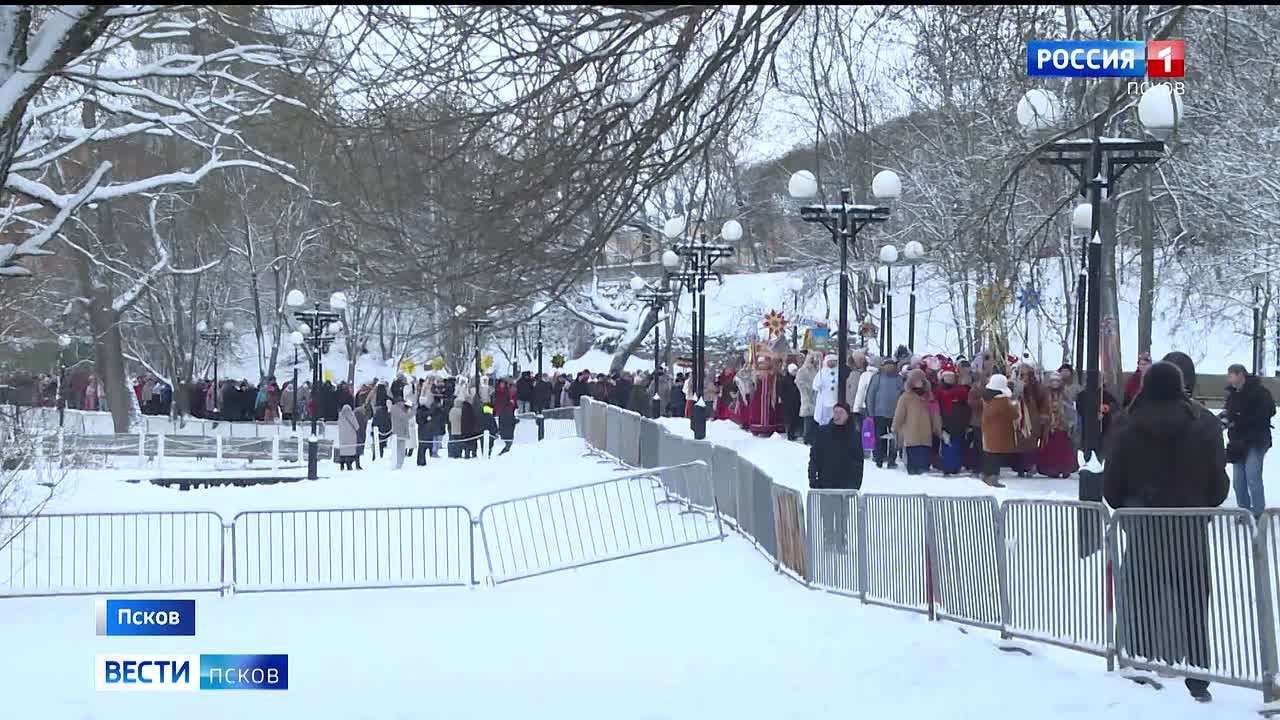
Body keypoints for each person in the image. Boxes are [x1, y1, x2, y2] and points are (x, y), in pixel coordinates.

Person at [1103, 361, 1229, 703]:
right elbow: (1219, 485)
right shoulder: (1204, 423)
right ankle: (1198, 678)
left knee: (1142, 600)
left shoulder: (1126, 423)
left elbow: (1111, 486)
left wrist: (1130, 506)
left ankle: (1141, 670)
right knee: (1193, 604)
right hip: (1189, 529)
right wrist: (1199, 505)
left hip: (1143, 527)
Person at [807, 402, 863, 551]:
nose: (837, 416)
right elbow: (814, 457)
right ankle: (828, 538)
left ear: (847, 415)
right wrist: (813, 478)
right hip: (825, 482)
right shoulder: (823, 432)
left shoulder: (854, 436)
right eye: (835, 412)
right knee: (827, 513)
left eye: (840, 413)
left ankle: (841, 540)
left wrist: (855, 485)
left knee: (842, 515)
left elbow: (858, 463)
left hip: (845, 484)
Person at [1223, 363, 1274, 518]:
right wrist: (1222, 422)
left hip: (1256, 440)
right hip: (1238, 443)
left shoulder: (1259, 392)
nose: (1229, 379)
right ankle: (1244, 511)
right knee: (1238, 482)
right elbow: (1228, 413)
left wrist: (1240, 419)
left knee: (1253, 477)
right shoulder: (1232, 395)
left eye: (1231, 375)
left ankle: (1258, 513)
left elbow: (1270, 410)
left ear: (1240, 375)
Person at [893, 368, 941, 475]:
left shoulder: (930, 397)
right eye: (915, 380)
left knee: (924, 467)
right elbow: (899, 415)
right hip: (911, 435)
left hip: (926, 435)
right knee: (913, 468)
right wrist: (895, 427)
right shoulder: (905, 397)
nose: (918, 382)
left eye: (920, 380)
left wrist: (938, 429)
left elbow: (935, 415)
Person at [978, 374, 1019, 488]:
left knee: (989, 454)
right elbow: (1014, 415)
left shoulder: (986, 398)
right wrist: (1015, 405)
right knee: (996, 456)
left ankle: (986, 475)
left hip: (987, 429)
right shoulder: (1002, 400)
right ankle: (993, 478)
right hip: (1000, 431)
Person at [1036, 372, 1078, 478]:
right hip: (1049, 425)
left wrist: (1069, 419)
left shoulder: (1064, 393)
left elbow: (1070, 407)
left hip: (1062, 424)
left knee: (1063, 448)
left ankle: (1065, 468)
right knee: (1050, 448)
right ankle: (1051, 469)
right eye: (1053, 381)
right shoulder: (1045, 394)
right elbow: (1041, 406)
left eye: (1057, 381)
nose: (1055, 383)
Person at [865, 358, 904, 469]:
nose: (889, 367)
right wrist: (871, 412)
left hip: (893, 414)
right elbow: (871, 395)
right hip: (882, 413)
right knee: (883, 437)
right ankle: (882, 458)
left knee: (890, 438)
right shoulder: (878, 377)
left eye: (891, 365)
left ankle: (887, 459)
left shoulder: (898, 379)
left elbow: (903, 394)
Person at [935, 369, 971, 476]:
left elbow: (966, 406)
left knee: (957, 445)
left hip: (958, 423)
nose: (949, 379)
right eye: (947, 377)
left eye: (951, 377)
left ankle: (956, 466)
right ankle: (948, 466)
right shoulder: (939, 391)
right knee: (947, 446)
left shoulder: (961, 391)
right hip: (945, 422)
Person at [796, 351, 821, 445]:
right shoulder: (803, 370)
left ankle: (814, 437)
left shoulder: (817, 369)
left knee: (815, 418)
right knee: (809, 418)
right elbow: (798, 381)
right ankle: (807, 438)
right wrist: (807, 388)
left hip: (816, 396)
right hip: (807, 396)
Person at [778, 363, 802, 441]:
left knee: (795, 418)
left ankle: (794, 433)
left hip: (796, 402)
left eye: (796, 370)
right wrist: (785, 400)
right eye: (794, 371)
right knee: (790, 419)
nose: (795, 372)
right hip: (788, 403)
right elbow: (781, 391)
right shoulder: (784, 380)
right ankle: (790, 434)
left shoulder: (797, 379)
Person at [336, 404, 360, 470]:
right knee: (350, 450)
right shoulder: (349, 413)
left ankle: (342, 465)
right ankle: (349, 465)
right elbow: (356, 424)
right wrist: (357, 428)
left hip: (342, 437)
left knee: (343, 450)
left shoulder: (340, 416)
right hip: (350, 435)